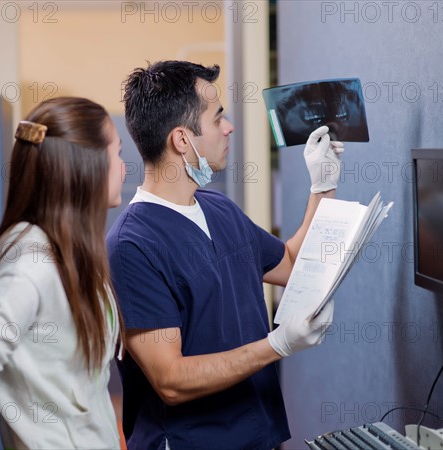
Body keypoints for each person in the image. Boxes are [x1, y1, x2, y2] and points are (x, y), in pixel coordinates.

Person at [106, 61, 344, 450]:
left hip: (256, 432)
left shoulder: (219, 208)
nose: (229, 126)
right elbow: (170, 379)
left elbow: (292, 264)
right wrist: (278, 345)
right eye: (217, 118)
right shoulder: (133, 245)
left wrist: (323, 184)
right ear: (182, 140)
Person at [0, 97, 125, 449]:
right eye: (117, 153)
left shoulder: (68, 249)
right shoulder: (31, 263)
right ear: (85, 168)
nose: (123, 167)